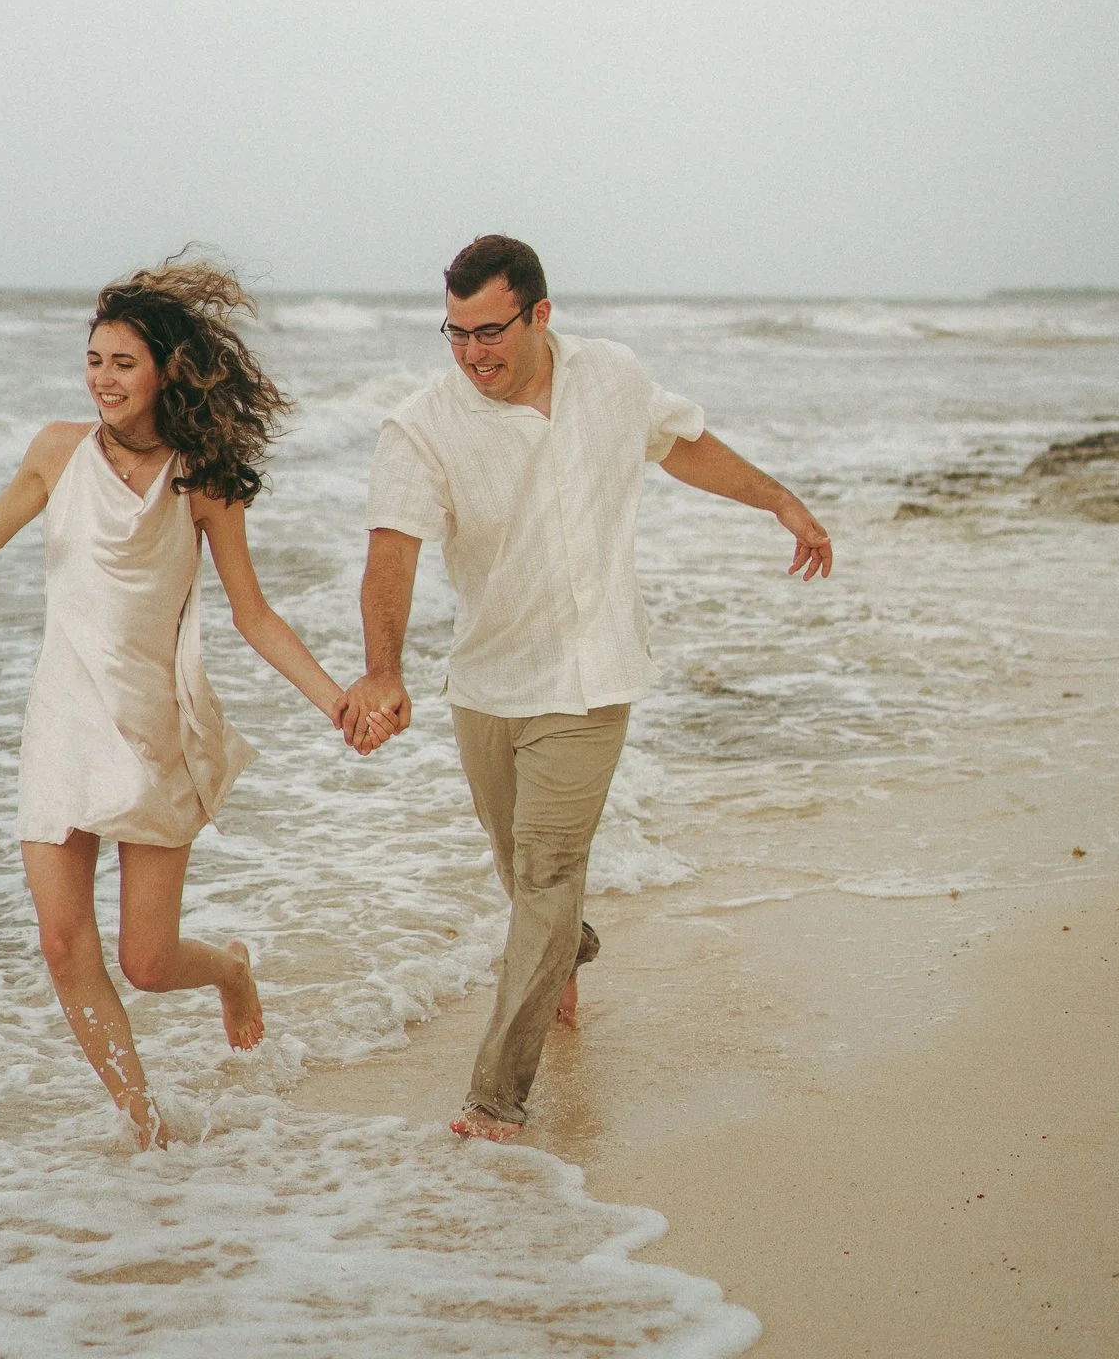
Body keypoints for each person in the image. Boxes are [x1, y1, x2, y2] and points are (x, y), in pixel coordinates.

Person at [0, 258, 390, 1150]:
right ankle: (144, 1125)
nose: (104, 378)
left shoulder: (203, 477)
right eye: (95, 359)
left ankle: (229, 970)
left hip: (152, 728)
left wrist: (336, 700)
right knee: (63, 944)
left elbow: (254, 613)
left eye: (123, 362)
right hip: (62, 722)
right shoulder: (54, 452)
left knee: (147, 963)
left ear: (164, 370)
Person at [339, 234, 832, 1143]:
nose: (473, 353)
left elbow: (682, 446)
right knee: (521, 871)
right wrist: (384, 669)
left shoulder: (611, 376)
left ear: (540, 315)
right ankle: (569, 942)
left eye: (490, 331)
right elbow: (391, 552)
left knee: (548, 867)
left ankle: (496, 1095)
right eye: (455, 334)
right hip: (489, 682)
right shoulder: (423, 425)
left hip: (593, 672)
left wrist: (778, 500)